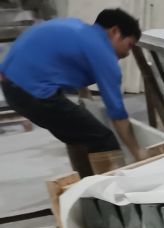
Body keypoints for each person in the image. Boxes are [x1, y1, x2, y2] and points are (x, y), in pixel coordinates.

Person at [0, 8, 149, 176]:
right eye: (129, 45)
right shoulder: (102, 51)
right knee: (103, 140)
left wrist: (85, 97)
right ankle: (110, 191)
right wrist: (137, 152)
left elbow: (67, 62)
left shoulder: (77, 29)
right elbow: (117, 113)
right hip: (33, 92)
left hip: (11, 86)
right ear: (115, 32)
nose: (127, 54)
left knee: (79, 136)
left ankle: (87, 186)